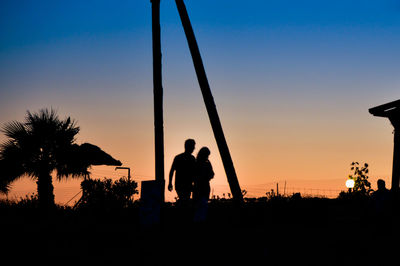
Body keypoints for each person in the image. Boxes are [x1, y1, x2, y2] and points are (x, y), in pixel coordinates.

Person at [193, 147, 214, 222]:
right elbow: (212, 174)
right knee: (201, 208)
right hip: (200, 188)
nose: (208, 157)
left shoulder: (199, 162)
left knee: (201, 207)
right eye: (207, 155)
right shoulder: (203, 163)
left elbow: (212, 174)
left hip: (201, 188)